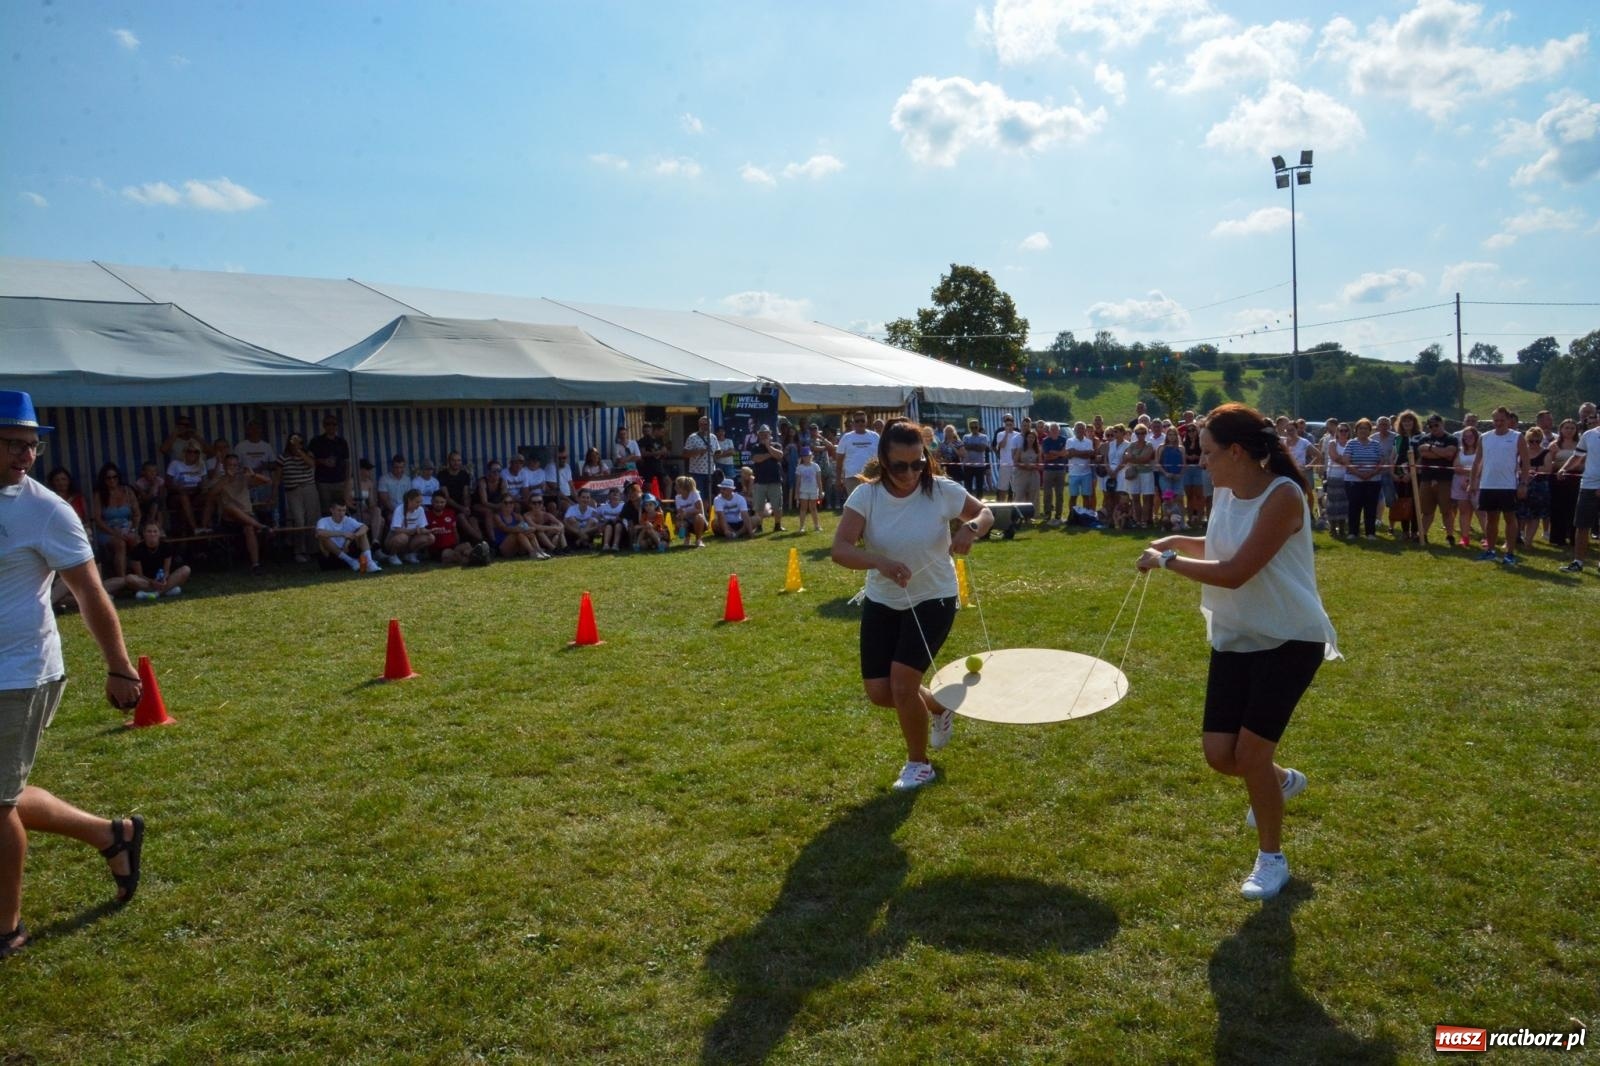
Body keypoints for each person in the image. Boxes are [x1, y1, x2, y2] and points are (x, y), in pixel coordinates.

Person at [1137, 403, 1338, 901]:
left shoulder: (1283, 495)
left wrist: (1167, 560)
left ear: (1236, 452)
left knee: (1249, 756)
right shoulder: (1227, 490)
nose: (1201, 461)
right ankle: (1281, 781)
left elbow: (1235, 572)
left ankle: (1272, 859)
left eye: (1207, 452)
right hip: (1236, 635)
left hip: (1290, 639)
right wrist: (1176, 541)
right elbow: (1221, 546)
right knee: (1219, 755)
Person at [1, 390, 147, 961]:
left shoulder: (46, 510)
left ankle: (6, 928)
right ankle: (111, 835)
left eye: (32, 445)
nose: (27, 455)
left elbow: (89, 592)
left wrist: (120, 667)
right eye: (14, 444)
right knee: (4, 793)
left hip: (19, 674)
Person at [830, 419, 992, 791]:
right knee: (880, 692)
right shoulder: (866, 497)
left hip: (934, 597)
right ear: (884, 461)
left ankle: (919, 765)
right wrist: (879, 563)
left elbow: (984, 513)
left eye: (917, 464)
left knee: (903, 686)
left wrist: (970, 529)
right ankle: (938, 705)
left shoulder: (942, 490)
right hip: (883, 599)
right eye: (899, 466)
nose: (909, 473)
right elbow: (840, 549)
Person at [1468, 406, 1529, 566]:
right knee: (1491, 518)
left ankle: (1510, 553)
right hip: (1488, 484)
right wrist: (1473, 481)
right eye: (1496, 420)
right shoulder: (1485, 437)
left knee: (1510, 518)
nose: (1498, 423)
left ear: (1508, 420)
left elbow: (1525, 462)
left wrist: (1523, 483)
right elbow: (1477, 461)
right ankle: (1490, 550)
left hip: (1508, 485)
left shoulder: (1517, 437)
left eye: (1502, 420)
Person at [206, 453, 274, 574]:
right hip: (229, 519)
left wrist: (253, 474)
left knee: (249, 527)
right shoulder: (220, 479)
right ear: (224, 466)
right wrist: (227, 478)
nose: (232, 468)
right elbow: (211, 494)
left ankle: (255, 565)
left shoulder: (244, 478)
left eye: (235, 465)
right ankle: (262, 526)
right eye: (230, 465)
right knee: (229, 507)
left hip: (247, 516)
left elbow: (268, 481)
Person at [1556, 416, 1598, 574]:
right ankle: (1578, 562)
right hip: (1587, 485)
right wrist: (1564, 468)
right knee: (1581, 525)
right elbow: (1577, 456)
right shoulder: (1589, 435)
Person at [1412, 415, 1457, 545]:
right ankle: (1423, 535)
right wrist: (1441, 453)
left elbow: (1449, 454)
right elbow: (1423, 453)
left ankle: (1450, 536)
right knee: (1426, 511)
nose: (1434, 428)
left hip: (1445, 480)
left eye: (1436, 425)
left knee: (1446, 510)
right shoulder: (1424, 439)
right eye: (1431, 426)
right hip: (1426, 479)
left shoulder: (1451, 438)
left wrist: (1431, 448)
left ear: (1442, 424)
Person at [91, 463, 141, 579]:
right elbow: (98, 519)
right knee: (120, 544)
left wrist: (133, 529)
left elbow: (137, 514)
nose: (112, 480)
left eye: (115, 477)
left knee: (136, 541)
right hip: (107, 530)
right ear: (104, 480)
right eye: (108, 478)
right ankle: (122, 579)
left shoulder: (127, 491)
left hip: (127, 528)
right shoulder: (99, 495)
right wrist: (115, 533)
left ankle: (141, 576)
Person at [1340, 418, 1385, 540]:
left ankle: (1370, 533)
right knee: (1354, 506)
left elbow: (1382, 461)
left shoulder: (1376, 444)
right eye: (1360, 428)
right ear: (1356, 430)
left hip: (1373, 480)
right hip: (1353, 480)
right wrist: (1359, 474)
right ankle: (1353, 532)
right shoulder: (1351, 443)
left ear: (1370, 431)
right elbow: (1346, 461)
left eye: (1366, 428)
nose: (1363, 430)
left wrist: (1372, 473)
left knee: (1371, 507)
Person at [125, 521, 192, 600]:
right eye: (149, 531)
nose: (152, 534)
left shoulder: (166, 547)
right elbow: (139, 575)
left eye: (155, 531)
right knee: (129, 578)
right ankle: (167, 590)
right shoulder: (137, 550)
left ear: (159, 533)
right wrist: (152, 582)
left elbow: (166, 570)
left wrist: (163, 579)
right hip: (146, 581)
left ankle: (156, 593)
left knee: (186, 569)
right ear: (144, 534)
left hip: (162, 580)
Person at [279, 432, 320, 562]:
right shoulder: (283, 457)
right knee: (298, 520)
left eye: (299, 442)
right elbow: (277, 477)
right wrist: (273, 494)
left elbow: (312, 464)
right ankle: (299, 551)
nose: (297, 444)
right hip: (293, 490)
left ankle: (313, 549)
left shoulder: (308, 454)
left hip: (309, 488)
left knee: (312, 519)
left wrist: (300, 452)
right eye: (294, 441)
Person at [233, 419, 279, 523]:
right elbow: (235, 465)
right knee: (249, 510)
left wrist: (264, 466)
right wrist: (247, 470)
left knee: (265, 509)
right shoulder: (240, 446)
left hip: (264, 484)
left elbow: (275, 464)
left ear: (261, 430)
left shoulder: (266, 446)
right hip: (247, 484)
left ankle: (266, 528)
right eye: (252, 428)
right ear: (247, 430)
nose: (255, 431)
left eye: (257, 428)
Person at [315, 500, 380, 572]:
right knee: (323, 537)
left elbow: (365, 527)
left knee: (362, 533)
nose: (341, 513)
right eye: (339, 510)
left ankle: (369, 562)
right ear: (332, 510)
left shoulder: (348, 520)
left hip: (347, 550)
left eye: (344, 510)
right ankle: (351, 561)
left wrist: (351, 538)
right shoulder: (323, 521)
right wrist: (342, 534)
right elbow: (319, 533)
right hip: (330, 555)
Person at [1547, 419, 1583, 550]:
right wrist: (1558, 464)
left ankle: (1574, 538)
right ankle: (1558, 537)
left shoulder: (1581, 444)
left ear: (1576, 430)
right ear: (1561, 429)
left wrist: (1570, 467)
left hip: (1576, 479)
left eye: (1572, 428)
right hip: (1558, 480)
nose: (1569, 430)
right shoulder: (1554, 445)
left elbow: (1584, 463)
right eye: (1566, 428)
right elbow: (1548, 463)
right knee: (1558, 508)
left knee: (1574, 508)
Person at [307, 414, 351, 516]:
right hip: (323, 482)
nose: (331, 426)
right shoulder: (316, 441)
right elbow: (309, 460)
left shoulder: (342, 442)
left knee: (341, 509)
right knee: (326, 510)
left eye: (334, 424)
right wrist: (322, 461)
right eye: (328, 424)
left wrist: (348, 480)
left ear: (337, 426)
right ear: (324, 425)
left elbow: (347, 462)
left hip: (340, 481)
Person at [437, 452, 485, 544]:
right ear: (449, 461)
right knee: (461, 517)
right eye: (454, 460)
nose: (456, 463)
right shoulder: (442, 475)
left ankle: (479, 544)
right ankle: (482, 542)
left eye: (458, 460)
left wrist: (467, 507)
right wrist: (461, 508)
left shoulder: (464, 474)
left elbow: (466, 494)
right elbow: (446, 497)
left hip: (462, 505)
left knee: (473, 520)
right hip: (449, 506)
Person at [165, 442, 208, 534]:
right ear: (184, 452)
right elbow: (168, 484)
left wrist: (200, 488)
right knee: (184, 497)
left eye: (196, 452)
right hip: (176, 495)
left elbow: (203, 484)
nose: (192, 454)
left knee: (209, 497)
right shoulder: (175, 464)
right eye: (189, 451)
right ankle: (195, 528)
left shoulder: (201, 465)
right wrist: (180, 489)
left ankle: (205, 526)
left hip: (195, 494)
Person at [836, 411, 881, 501]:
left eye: (862, 421)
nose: (860, 423)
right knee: (855, 504)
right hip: (852, 477)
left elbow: (881, 456)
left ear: (866, 422)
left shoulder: (875, 436)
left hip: (872, 477)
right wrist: (838, 479)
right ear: (853, 423)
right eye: (857, 421)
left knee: (872, 502)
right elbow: (839, 461)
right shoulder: (846, 437)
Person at [749, 426, 786, 532]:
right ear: (758, 435)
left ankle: (778, 525)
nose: (764, 435)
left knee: (777, 505)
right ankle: (759, 526)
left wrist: (768, 446)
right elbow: (757, 459)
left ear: (770, 434)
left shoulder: (777, 445)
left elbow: (780, 456)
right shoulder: (755, 447)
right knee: (759, 506)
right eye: (762, 433)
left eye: (766, 433)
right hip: (760, 481)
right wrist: (770, 454)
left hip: (775, 480)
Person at [1451, 425, 1482, 548]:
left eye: (1471, 436)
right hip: (1460, 484)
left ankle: (1488, 537)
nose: (1468, 439)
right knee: (1464, 512)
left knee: (1481, 512)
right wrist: (1471, 471)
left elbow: (1481, 468)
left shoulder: (1481, 451)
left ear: (1476, 437)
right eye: (1465, 437)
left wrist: (1470, 478)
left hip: (1477, 483)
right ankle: (1465, 538)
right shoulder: (1460, 451)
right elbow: (1456, 467)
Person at [424, 493, 476, 566]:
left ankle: (472, 558)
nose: (439, 504)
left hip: (452, 546)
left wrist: (457, 543)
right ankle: (468, 561)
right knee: (447, 553)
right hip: (438, 550)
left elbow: (454, 530)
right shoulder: (427, 515)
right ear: (432, 502)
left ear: (445, 502)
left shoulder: (450, 513)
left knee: (467, 545)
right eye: (437, 502)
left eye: (442, 502)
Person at [385, 488, 434, 563]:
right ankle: (392, 555)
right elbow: (396, 529)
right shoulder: (399, 509)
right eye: (417, 502)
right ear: (409, 500)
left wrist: (430, 531)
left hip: (411, 538)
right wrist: (410, 531)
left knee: (431, 538)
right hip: (395, 537)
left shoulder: (420, 510)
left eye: (420, 502)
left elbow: (421, 528)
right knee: (403, 537)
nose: (419, 504)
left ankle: (410, 554)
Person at [683, 416, 715, 501]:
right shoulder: (692, 437)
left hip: (710, 471)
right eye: (703, 424)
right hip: (697, 472)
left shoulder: (713, 437)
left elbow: (717, 452)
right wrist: (699, 451)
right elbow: (685, 454)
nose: (706, 426)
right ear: (699, 425)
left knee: (708, 496)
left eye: (708, 424)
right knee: (699, 496)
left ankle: (706, 509)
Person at [671, 475, 707, 548]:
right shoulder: (677, 497)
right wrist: (679, 516)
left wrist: (687, 513)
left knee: (699, 517)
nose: (675, 488)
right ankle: (687, 538)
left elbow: (700, 510)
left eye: (677, 486)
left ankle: (698, 540)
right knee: (678, 523)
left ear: (683, 488)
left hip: (699, 521)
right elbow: (679, 512)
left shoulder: (694, 494)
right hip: (687, 521)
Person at [959, 418, 991, 499]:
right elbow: (965, 447)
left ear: (978, 427)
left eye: (975, 427)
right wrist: (976, 446)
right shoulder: (966, 436)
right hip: (968, 465)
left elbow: (982, 448)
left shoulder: (984, 437)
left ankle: (979, 501)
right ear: (969, 428)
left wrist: (970, 446)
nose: (974, 429)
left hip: (980, 465)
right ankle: (969, 502)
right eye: (972, 427)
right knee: (968, 487)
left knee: (979, 487)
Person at [793, 447, 823, 532]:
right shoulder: (800, 468)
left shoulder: (816, 466)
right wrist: (796, 493)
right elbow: (798, 482)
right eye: (805, 456)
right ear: (802, 457)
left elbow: (819, 480)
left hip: (813, 490)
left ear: (811, 456)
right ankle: (801, 527)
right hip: (803, 491)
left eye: (809, 456)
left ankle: (816, 526)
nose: (807, 458)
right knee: (803, 508)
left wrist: (820, 491)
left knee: (813, 508)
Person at [132, 460, 167, 532]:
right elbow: (145, 498)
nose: (152, 473)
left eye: (154, 471)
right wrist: (152, 487)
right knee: (156, 503)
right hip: (144, 503)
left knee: (158, 504)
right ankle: (153, 524)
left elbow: (161, 495)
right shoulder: (139, 483)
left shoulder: (159, 480)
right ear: (143, 472)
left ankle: (157, 526)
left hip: (157, 503)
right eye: (149, 471)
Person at [598, 486, 629, 551]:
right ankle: (606, 545)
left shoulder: (624, 506)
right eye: (613, 494)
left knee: (618, 524)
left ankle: (615, 545)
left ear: (620, 496)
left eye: (616, 495)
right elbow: (594, 514)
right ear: (609, 496)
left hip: (620, 530)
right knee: (609, 525)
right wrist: (601, 520)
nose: (615, 497)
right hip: (607, 528)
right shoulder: (603, 507)